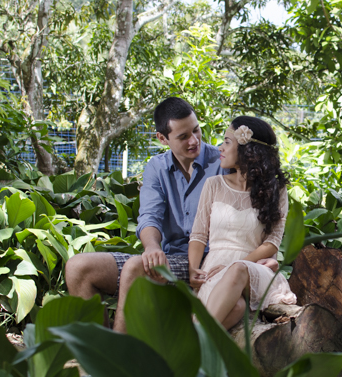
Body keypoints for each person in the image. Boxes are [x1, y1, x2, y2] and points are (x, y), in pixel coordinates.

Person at [65, 97, 224, 331]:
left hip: (204, 263)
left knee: (135, 267)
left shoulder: (222, 163)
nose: (194, 141)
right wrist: (152, 247)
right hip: (168, 259)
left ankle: (116, 361)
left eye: (196, 130)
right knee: (78, 267)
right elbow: (149, 216)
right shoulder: (156, 167)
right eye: (183, 137)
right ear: (162, 138)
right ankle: (96, 351)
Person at [188, 116, 296, 329]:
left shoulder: (277, 190)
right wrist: (193, 270)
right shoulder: (213, 185)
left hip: (253, 268)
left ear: (249, 150)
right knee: (236, 307)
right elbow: (198, 235)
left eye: (227, 142)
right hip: (213, 269)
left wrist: (233, 265)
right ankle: (193, 346)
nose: (221, 147)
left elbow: (273, 242)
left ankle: (186, 343)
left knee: (237, 269)